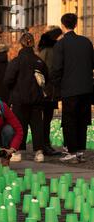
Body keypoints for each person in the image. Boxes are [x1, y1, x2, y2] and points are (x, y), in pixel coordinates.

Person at [52, 13, 94, 164]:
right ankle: (81, 152)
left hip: (69, 89)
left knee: (69, 120)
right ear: (76, 24)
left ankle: (71, 151)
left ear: (62, 25)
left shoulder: (61, 44)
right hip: (87, 88)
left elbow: (56, 69)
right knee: (82, 121)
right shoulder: (86, 42)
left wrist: (56, 87)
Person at [4, 33, 49, 163]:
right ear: (33, 44)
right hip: (36, 99)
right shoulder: (39, 61)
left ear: (21, 44)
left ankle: (17, 152)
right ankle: (39, 152)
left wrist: (14, 89)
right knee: (37, 126)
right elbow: (46, 78)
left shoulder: (16, 61)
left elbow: (8, 80)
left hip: (19, 99)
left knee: (19, 126)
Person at [38, 26, 64, 157]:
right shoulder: (49, 51)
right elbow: (45, 71)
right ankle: (44, 145)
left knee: (47, 119)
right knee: (45, 119)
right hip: (47, 91)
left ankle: (45, 144)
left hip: (49, 90)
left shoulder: (49, 50)